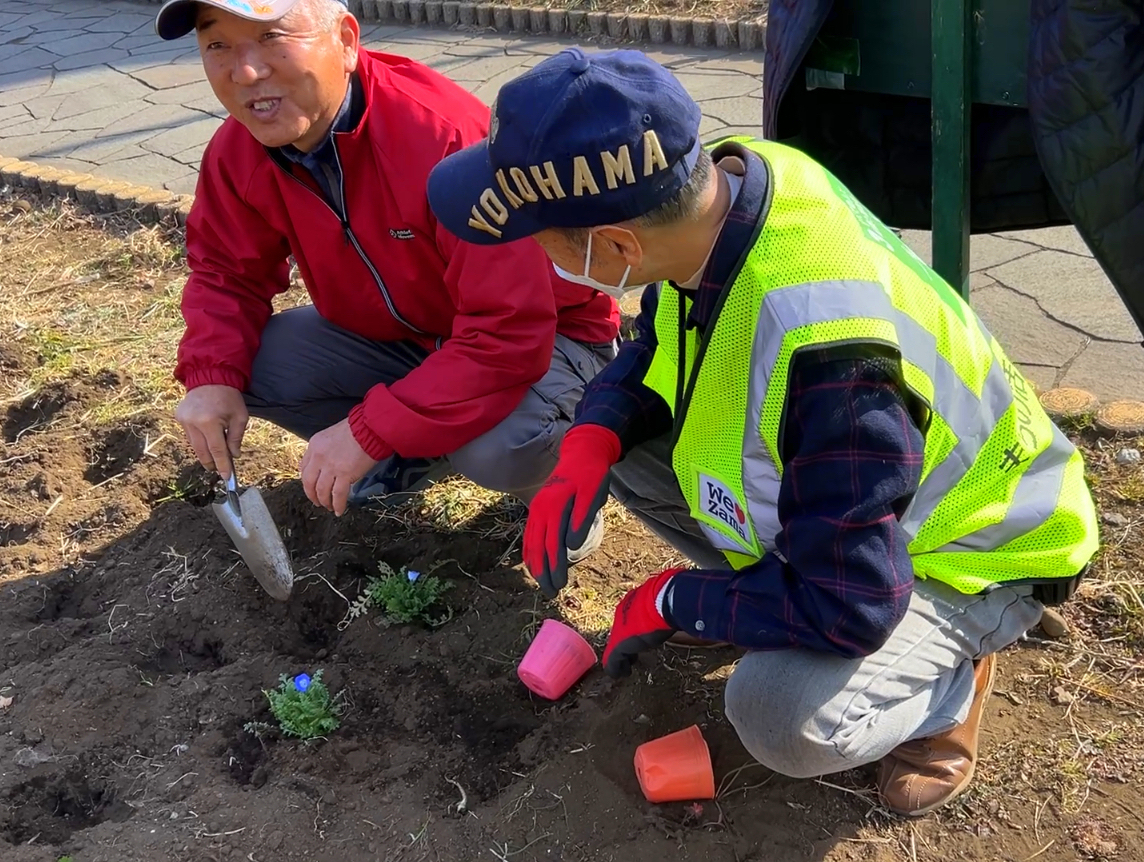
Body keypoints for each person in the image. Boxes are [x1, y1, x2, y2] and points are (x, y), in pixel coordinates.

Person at [424, 47, 1101, 816]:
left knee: (782, 716)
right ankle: (758, 596)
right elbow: (663, 343)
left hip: (977, 544)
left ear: (616, 247)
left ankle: (947, 690)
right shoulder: (727, 193)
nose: (531, 254)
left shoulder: (831, 358)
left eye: (538, 236)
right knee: (626, 440)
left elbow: (849, 605)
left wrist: (677, 599)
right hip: (855, 504)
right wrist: (592, 439)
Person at [154, 0, 619, 565]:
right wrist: (209, 378)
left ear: (346, 41)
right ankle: (418, 450)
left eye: (273, 38)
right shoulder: (240, 150)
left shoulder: (443, 138)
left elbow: (508, 334)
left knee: (499, 448)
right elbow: (225, 272)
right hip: (416, 337)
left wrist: (369, 429)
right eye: (217, 45)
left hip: (552, 339)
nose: (245, 72)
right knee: (251, 362)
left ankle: (559, 499)